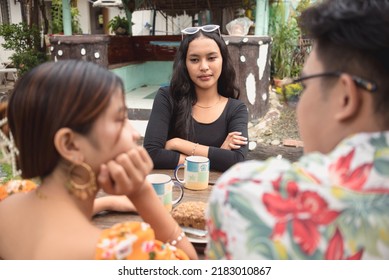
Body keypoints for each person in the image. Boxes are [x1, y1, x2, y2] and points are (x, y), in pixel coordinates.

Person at [206, 0, 389, 260]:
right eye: (195, 59)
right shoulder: (171, 99)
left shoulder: (245, 197)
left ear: (345, 97)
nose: (204, 67)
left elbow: (234, 157)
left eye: (304, 87)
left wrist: (180, 145)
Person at [0, 60, 197, 260]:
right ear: (70, 145)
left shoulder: (8, 197)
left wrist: (105, 203)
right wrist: (142, 194)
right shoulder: (120, 253)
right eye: (120, 120)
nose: (134, 135)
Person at [143, 25, 248, 172]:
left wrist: (176, 143)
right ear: (184, 64)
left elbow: (237, 160)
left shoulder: (236, 109)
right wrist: (218, 156)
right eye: (194, 60)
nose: (204, 67)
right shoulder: (167, 98)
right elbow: (151, 154)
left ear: (223, 60)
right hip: (173, 190)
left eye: (211, 58)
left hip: (213, 192)